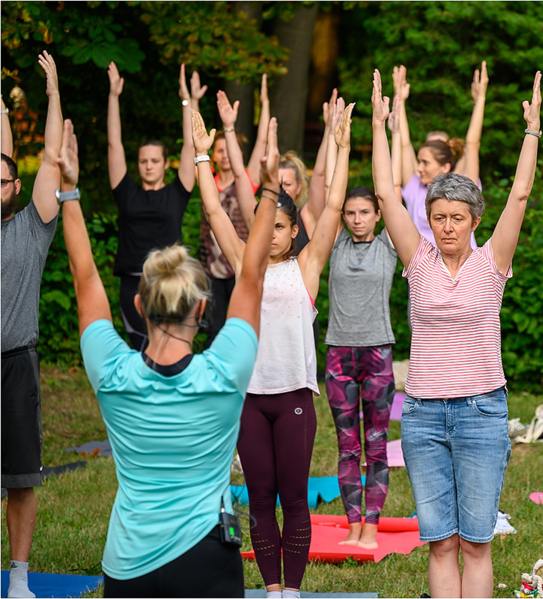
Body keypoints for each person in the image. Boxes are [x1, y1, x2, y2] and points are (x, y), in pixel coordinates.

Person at [62, 109, 278, 597]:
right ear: (202, 310)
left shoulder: (112, 374)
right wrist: (267, 191)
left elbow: (85, 278)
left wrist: (69, 191)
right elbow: (251, 277)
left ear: (138, 305)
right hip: (206, 558)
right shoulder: (224, 374)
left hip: (128, 562)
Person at [372, 67, 541, 598]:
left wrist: (531, 131)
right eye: (439, 216)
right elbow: (384, 192)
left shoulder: (493, 262)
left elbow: (518, 196)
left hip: (480, 412)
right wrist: (381, 123)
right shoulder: (417, 259)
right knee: (440, 542)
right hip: (422, 414)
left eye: (457, 217)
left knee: (476, 542)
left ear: (473, 221)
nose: (447, 225)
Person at [197, 102, 354, 598]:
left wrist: (342, 144)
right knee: (260, 498)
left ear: (292, 233)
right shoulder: (247, 269)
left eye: (285, 229)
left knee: (295, 498)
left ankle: (294, 590)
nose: (276, 236)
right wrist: (205, 159)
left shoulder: (305, 270)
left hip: (294, 399)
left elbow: (331, 209)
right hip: (249, 398)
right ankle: (270, 589)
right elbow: (214, 211)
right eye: (272, 228)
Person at [1, 51, 62, 599]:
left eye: (1, 181)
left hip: (16, 366)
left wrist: (51, 90)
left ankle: (18, 577)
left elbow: (49, 157)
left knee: (20, 478)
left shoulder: (32, 229)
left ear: (14, 189)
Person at [107, 61, 203, 349]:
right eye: (143, 161)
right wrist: (113, 97)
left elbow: (191, 145)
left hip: (169, 281)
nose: (149, 166)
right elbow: (114, 144)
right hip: (133, 283)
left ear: (165, 163)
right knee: (139, 349)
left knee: (171, 347)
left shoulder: (178, 191)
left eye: (155, 161)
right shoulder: (126, 192)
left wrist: (188, 100)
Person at [324, 186, 398, 549]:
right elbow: (328, 192)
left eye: (365, 213)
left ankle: (371, 525)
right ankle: (352, 524)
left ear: (378, 215)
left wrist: (390, 131)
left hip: (378, 353)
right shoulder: (335, 244)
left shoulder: (388, 245)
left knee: (376, 444)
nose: (357, 220)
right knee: (347, 446)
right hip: (339, 355)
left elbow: (391, 189)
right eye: (351, 213)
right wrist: (337, 138)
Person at [200, 76, 270, 347]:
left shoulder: (247, 181)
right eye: (218, 151)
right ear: (214, 156)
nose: (225, 155)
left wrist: (264, 105)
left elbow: (262, 140)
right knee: (214, 327)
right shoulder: (207, 180)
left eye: (228, 150)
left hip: (239, 263)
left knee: (240, 320)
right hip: (211, 265)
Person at [393, 63, 486, 247]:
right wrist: (400, 100)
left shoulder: (464, 188)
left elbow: (472, 145)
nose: (419, 168)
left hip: (463, 271)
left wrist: (481, 99)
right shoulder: (414, 188)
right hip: (426, 271)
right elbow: (404, 145)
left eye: (426, 163)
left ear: (445, 166)